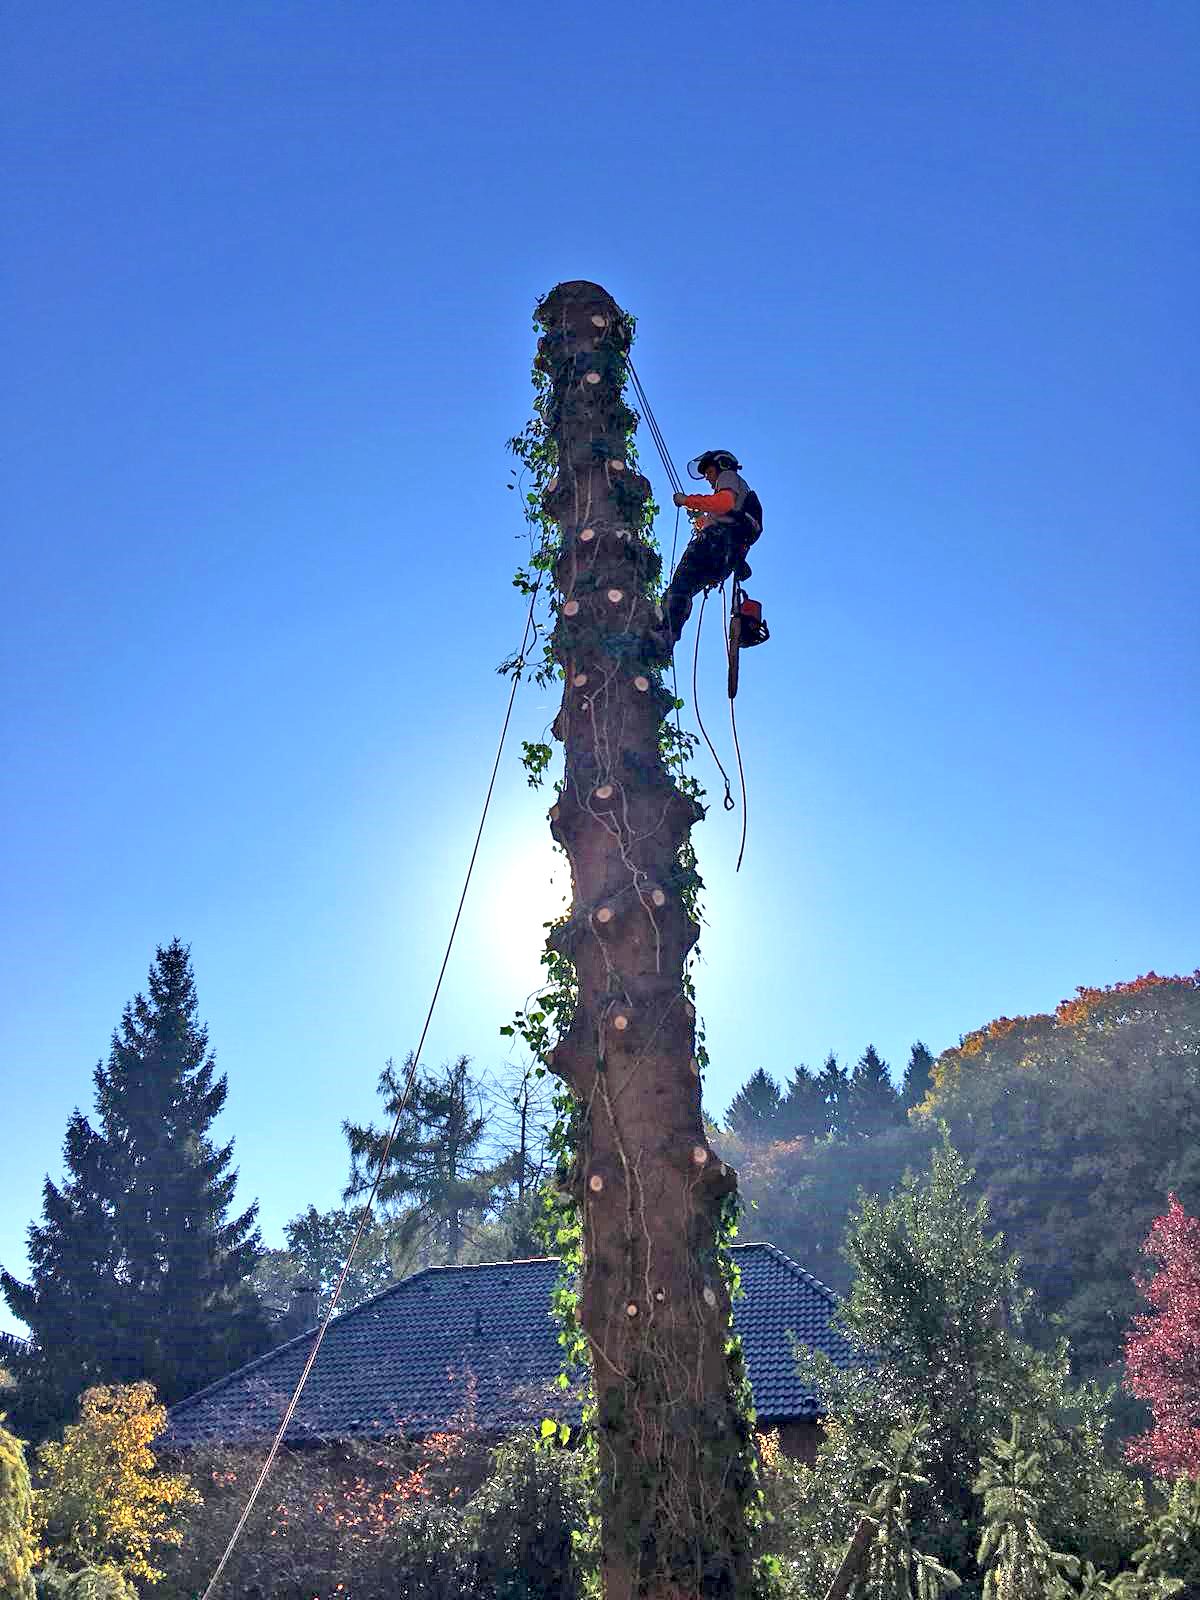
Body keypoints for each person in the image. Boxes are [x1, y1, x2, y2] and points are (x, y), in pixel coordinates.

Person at [658, 450, 762, 648]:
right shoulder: (742, 495)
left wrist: (686, 500)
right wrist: (702, 520)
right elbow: (725, 514)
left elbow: (723, 504)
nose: (707, 478)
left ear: (722, 465)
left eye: (709, 471)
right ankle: (666, 636)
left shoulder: (729, 477)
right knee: (684, 591)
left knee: (680, 586)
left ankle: (664, 632)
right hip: (725, 557)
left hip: (714, 544)